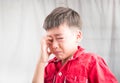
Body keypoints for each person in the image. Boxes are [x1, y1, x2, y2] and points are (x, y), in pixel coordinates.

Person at [32, 7, 118, 83]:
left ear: (78, 36)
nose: (54, 45)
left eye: (60, 38)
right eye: (50, 39)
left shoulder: (92, 62)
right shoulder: (50, 66)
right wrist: (42, 61)